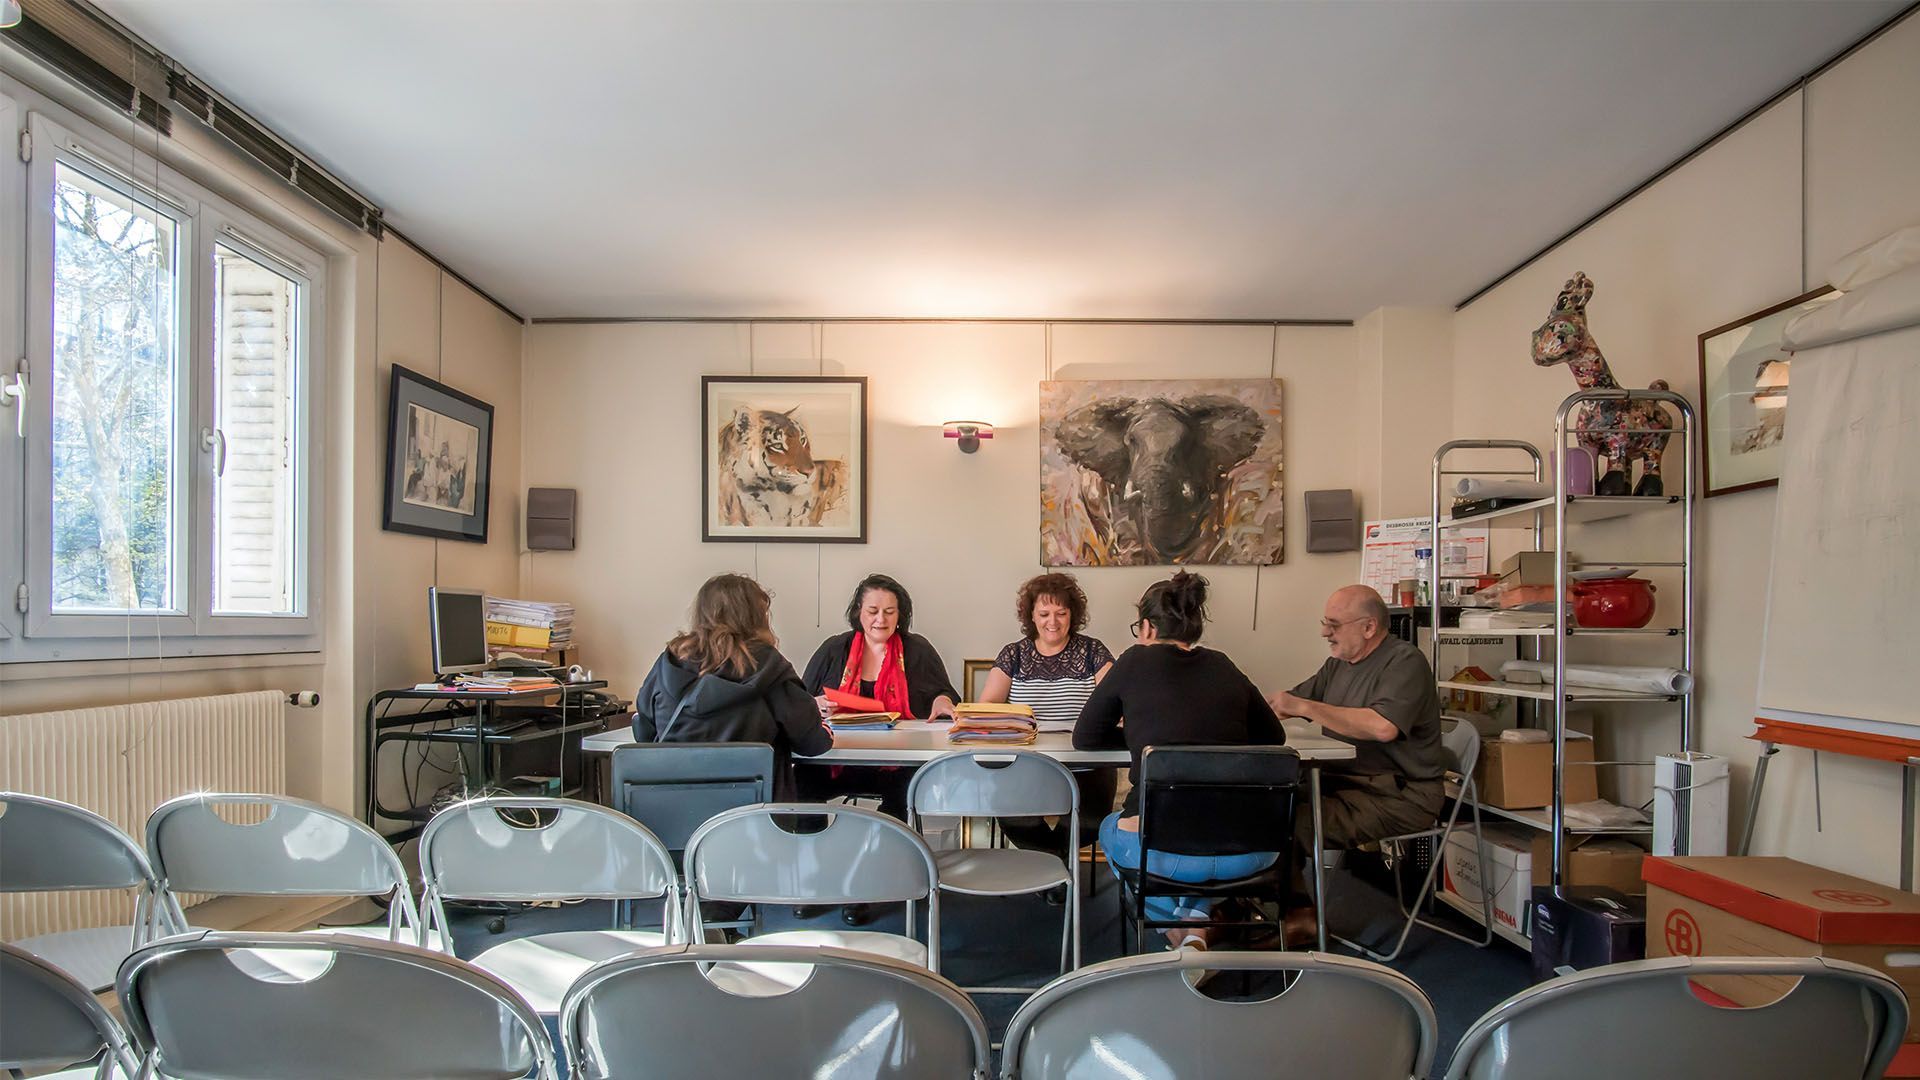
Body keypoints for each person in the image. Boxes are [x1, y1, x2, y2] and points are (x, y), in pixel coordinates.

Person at [1073, 571, 1287, 951]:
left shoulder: (1134, 661)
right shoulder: (1224, 665)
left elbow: (1085, 737)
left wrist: (1142, 737)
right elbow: (1274, 738)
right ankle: (1198, 925)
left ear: (1146, 628)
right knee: (1199, 846)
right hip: (1251, 852)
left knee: (1111, 828)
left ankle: (1179, 931)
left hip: (1163, 855)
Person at [1267, 584, 1446, 944]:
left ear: (1368, 627)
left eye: (1333, 624)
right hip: (1346, 784)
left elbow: (1382, 727)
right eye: (1324, 623)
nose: (1324, 632)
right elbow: (1285, 704)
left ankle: (1300, 917)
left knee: (1281, 822)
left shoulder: (1405, 662)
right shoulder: (1337, 666)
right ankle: (1255, 909)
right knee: (1259, 800)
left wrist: (1306, 708)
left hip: (1399, 795)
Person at [799, 573, 959, 926]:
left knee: (905, 795)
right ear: (858, 612)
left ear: (901, 615)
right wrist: (817, 703)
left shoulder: (917, 650)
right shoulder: (834, 649)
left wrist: (944, 701)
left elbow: (945, 694)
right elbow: (799, 701)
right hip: (838, 759)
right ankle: (813, 883)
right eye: (872, 610)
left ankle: (865, 885)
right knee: (800, 787)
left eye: (889, 612)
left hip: (895, 761)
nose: (880, 620)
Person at [631, 574, 830, 799]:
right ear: (757, 617)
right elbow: (812, 742)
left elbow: (645, 734)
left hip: (674, 812)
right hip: (754, 819)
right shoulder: (770, 668)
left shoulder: (670, 662)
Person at [980, 572, 1117, 855]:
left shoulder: (1093, 651)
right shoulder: (1013, 655)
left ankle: (1050, 871)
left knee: (1089, 820)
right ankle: (1058, 867)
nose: (1052, 622)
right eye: (1044, 613)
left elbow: (1117, 702)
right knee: (1014, 816)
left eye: (1061, 613)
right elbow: (986, 709)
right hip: (1025, 764)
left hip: (1088, 765)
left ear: (1072, 615)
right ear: (1031, 616)